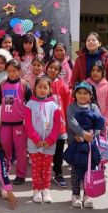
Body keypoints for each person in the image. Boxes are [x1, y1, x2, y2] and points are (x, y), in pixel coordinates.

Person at [0, 59, 31, 185]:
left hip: (20, 124)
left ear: (19, 71)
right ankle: (5, 172)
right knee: (5, 150)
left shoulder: (24, 84)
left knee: (21, 151)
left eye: (14, 71)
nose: (11, 73)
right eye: (9, 71)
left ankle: (20, 175)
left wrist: (29, 121)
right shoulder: (3, 84)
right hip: (5, 124)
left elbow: (31, 104)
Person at [66, 81, 104, 209]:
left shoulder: (94, 107)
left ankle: (88, 194)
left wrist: (91, 135)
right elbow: (71, 122)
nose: (82, 96)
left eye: (85, 93)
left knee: (89, 169)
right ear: (75, 94)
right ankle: (75, 195)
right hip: (75, 143)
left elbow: (99, 123)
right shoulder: (71, 108)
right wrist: (81, 133)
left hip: (90, 145)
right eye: (79, 93)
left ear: (90, 95)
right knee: (76, 169)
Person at [24, 76, 61, 203]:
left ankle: (46, 189)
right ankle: (36, 190)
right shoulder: (29, 104)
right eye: (39, 87)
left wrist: (50, 140)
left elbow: (57, 126)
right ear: (34, 88)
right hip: (34, 143)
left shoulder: (54, 106)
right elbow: (28, 125)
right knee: (36, 167)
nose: (42, 90)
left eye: (45, 87)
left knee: (46, 168)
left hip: (49, 144)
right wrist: (36, 139)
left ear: (50, 89)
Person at [46, 59, 71, 188]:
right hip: (44, 126)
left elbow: (67, 105)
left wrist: (66, 123)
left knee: (58, 153)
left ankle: (58, 173)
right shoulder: (41, 83)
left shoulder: (63, 85)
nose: (53, 70)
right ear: (46, 68)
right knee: (44, 152)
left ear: (60, 72)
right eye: (51, 67)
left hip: (60, 125)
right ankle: (43, 176)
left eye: (56, 69)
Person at [85, 60, 108, 144]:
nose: (95, 73)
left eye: (98, 71)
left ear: (103, 72)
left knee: (100, 147)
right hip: (86, 122)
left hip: (102, 123)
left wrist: (105, 121)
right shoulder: (85, 85)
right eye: (93, 70)